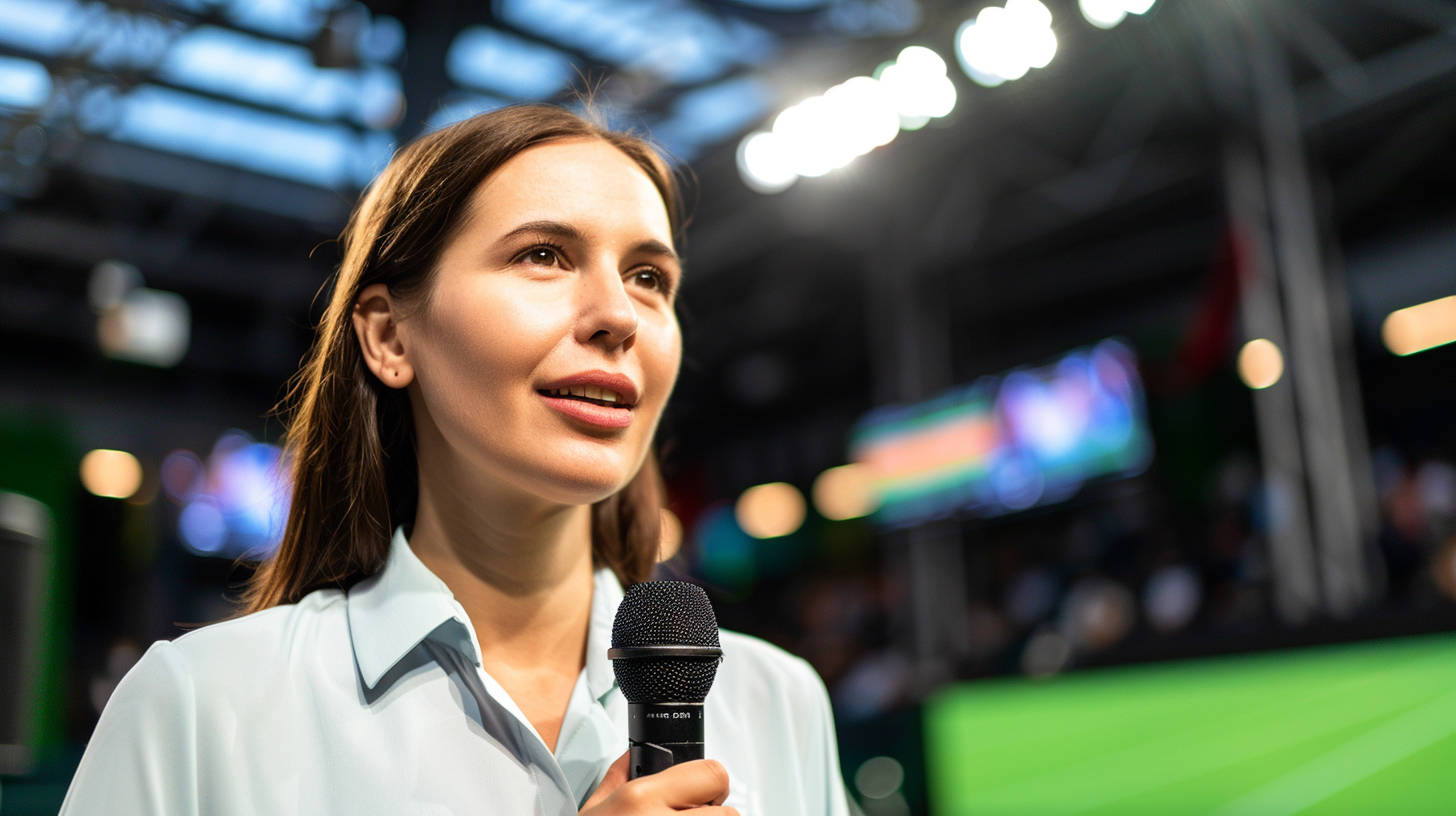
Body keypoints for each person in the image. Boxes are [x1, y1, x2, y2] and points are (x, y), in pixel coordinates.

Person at [59, 105, 852, 815]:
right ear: (389, 336)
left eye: (649, 277)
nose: (618, 315)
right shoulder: (200, 706)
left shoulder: (779, 702)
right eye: (543, 255)